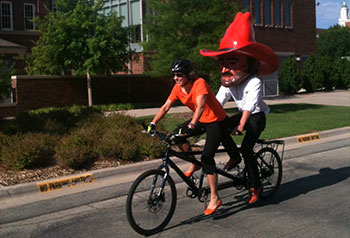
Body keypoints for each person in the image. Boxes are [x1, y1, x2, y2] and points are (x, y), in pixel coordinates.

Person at [200, 12, 279, 204]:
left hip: (256, 116)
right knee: (219, 126)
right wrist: (197, 120)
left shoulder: (254, 81)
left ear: (249, 63)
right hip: (243, 115)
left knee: (246, 148)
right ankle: (233, 158)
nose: (226, 68)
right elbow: (217, 103)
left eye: (232, 62)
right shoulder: (229, 83)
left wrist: (241, 125)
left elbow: (250, 107)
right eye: (223, 63)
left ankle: (256, 186)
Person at [147, 58, 240, 215]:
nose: (176, 78)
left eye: (179, 75)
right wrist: (153, 123)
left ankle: (215, 197)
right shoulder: (178, 88)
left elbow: (201, 106)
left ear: (188, 75)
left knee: (207, 157)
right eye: (174, 75)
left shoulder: (199, 83)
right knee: (177, 136)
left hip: (216, 121)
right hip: (201, 120)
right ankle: (194, 164)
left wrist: (192, 125)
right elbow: (166, 106)